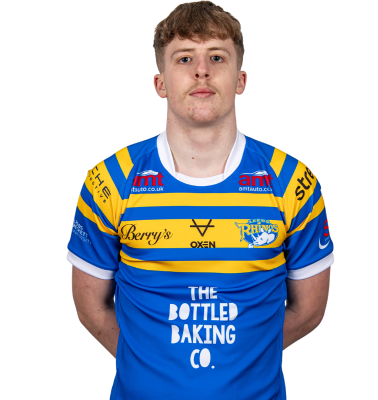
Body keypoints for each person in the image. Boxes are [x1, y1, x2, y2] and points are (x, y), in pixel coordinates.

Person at [68, 1, 334, 398]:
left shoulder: (294, 181)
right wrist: (151, 366)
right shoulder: (109, 180)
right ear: (160, 84)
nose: (202, 70)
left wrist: (242, 361)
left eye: (217, 57)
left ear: (241, 79)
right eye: (184, 58)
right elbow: (91, 308)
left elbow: (309, 310)